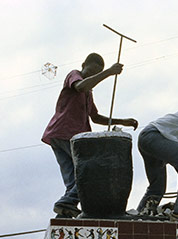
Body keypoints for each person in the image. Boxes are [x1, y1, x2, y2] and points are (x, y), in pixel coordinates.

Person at [42, 52, 138, 218]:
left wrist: (123, 121)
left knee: (74, 179)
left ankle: (65, 212)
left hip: (59, 135)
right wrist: (108, 72)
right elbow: (80, 86)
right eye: (91, 71)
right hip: (66, 133)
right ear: (83, 65)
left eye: (96, 73)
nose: (93, 76)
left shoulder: (88, 93)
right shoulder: (75, 75)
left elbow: (95, 117)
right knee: (89, 172)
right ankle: (66, 202)